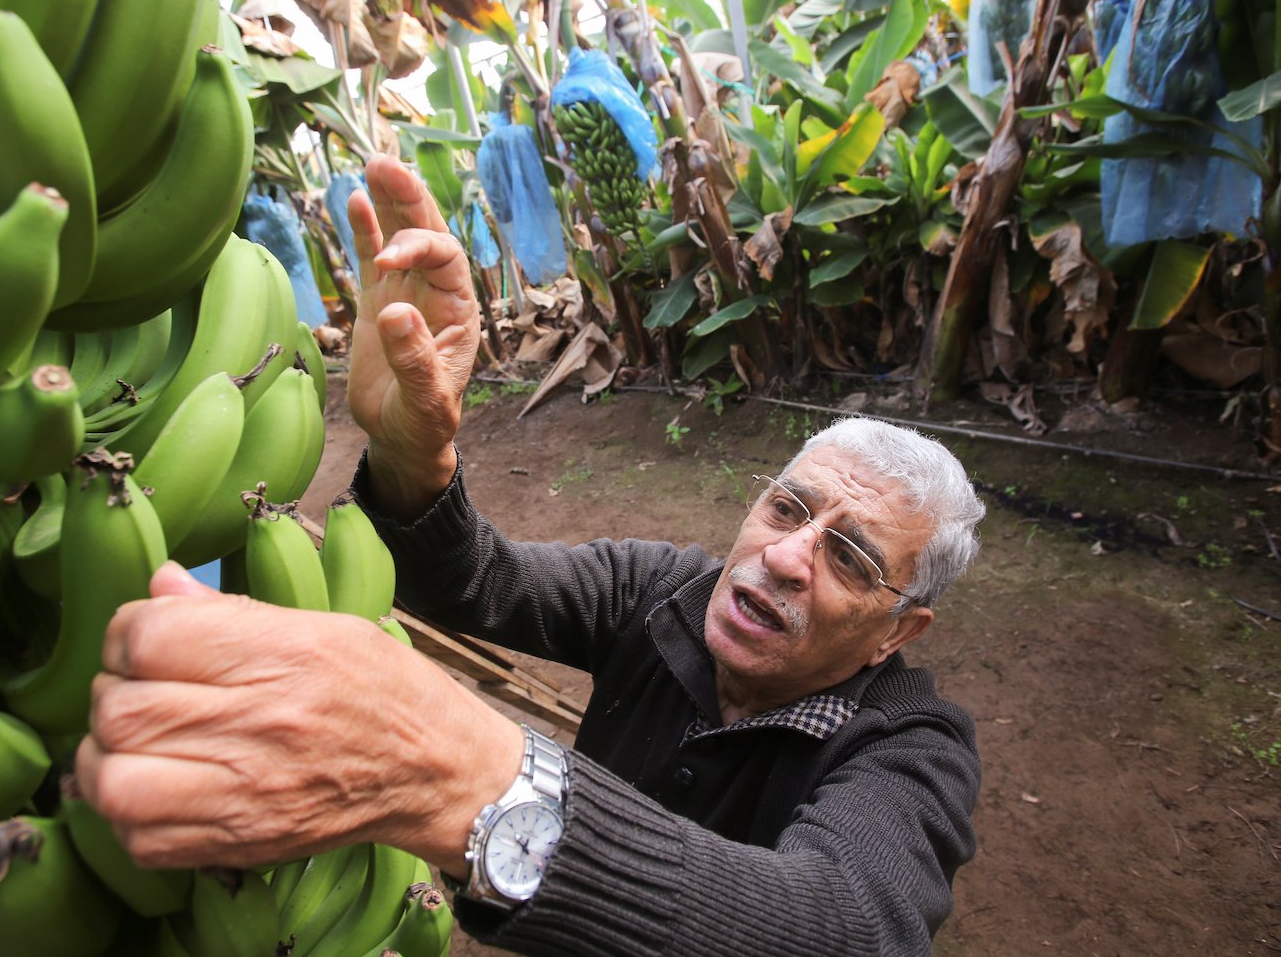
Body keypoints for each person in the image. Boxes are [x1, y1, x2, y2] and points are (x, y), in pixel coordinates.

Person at [75, 155, 987, 956]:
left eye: (850, 558)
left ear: (897, 631)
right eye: (786, 507)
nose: (786, 557)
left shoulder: (913, 748)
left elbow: (844, 927)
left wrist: (474, 779)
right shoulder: (661, 590)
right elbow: (478, 585)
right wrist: (412, 456)